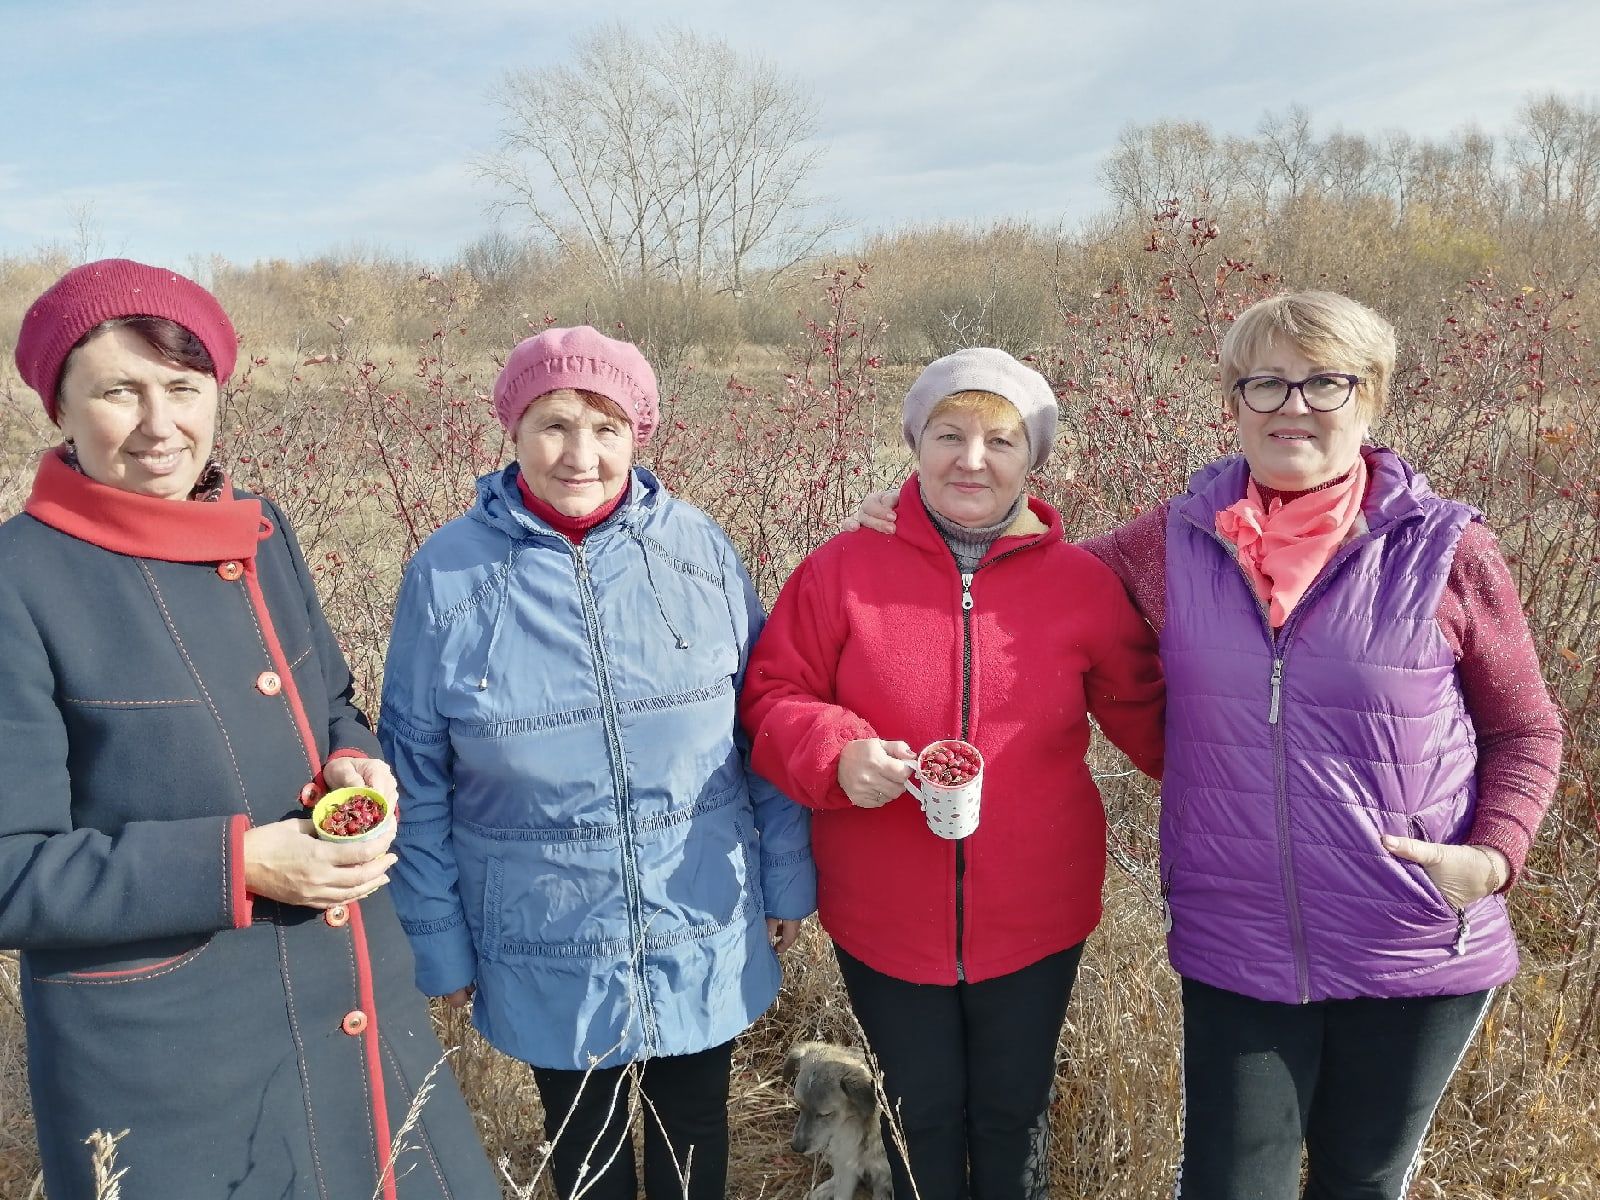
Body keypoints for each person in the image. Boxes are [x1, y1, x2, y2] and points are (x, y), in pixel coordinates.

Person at [850, 292, 1563, 1199]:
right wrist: (921, 518)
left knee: (1362, 1180)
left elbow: (1526, 726)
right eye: (1264, 383)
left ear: (1371, 399)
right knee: (1230, 1185)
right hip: (1239, 941)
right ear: (1233, 404)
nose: (1291, 406)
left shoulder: (1446, 550)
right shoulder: (1173, 543)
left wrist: (1493, 859)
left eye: (1324, 383)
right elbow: (1037, 576)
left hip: (1414, 938)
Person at [0, 259, 498, 1199]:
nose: (160, 425)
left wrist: (357, 758)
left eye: (184, 388)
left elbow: (335, 702)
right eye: (119, 390)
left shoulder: (260, 531)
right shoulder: (20, 583)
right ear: (57, 405)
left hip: (357, 1002)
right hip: (173, 1065)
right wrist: (241, 865)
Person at [379, 325, 816, 1200]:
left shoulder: (697, 549)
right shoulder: (448, 576)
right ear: (513, 430)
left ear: (638, 436)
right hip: (545, 934)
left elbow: (764, 726)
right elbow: (415, 775)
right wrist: (439, 942)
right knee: (585, 1151)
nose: (580, 453)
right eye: (554, 423)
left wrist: (785, 879)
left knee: (694, 1133)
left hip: (697, 909)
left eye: (606, 426)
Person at [738, 348, 1165, 1200]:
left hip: (1037, 914)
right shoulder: (841, 571)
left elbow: (1159, 727)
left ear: (1031, 459)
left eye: (1001, 441)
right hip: (882, 913)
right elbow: (771, 695)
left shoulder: (1081, 585)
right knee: (917, 1112)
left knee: (1012, 1113)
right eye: (949, 434)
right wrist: (835, 752)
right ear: (915, 445)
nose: (973, 459)